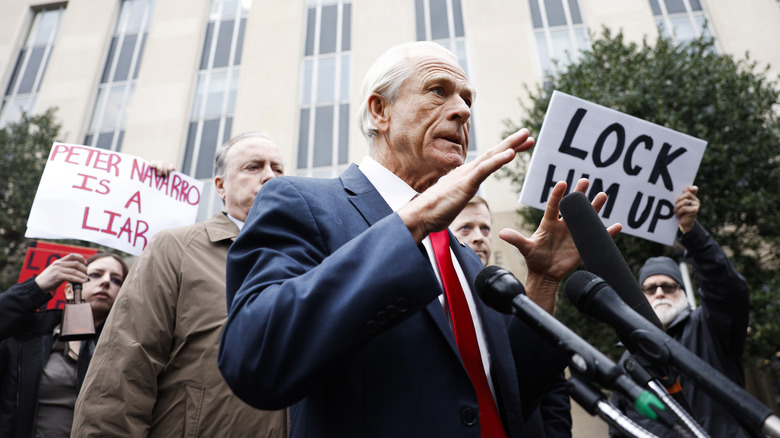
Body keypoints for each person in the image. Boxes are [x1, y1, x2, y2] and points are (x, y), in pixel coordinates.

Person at [219, 41, 618, 438]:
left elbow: (509, 396)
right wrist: (414, 219)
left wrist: (543, 282)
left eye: (466, 99)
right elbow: (256, 357)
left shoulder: (465, 258)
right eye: (438, 91)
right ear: (380, 111)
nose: (462, 111)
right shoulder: (300, 201)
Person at [71, 132, 289, 437]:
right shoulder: (175, 247)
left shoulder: (306, 259)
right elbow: (125, 365)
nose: (270, 177)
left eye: (278, 169)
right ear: (221, 186)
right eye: (254, 167)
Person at [610, 185, 750, 438]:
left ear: (683, 292)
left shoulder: (709, 328)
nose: (660, 293)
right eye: (650, 289)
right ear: (640, 297)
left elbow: (728, 290)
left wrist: (691, 232)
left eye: (669, 286)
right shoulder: (628, 362)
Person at [450, 196, 573, 437]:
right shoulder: (435, 301)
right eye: (466, 228)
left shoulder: (518, 297)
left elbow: (552, 386)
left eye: (485, 228)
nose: (478, 237)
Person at [0, 251, 128, 438]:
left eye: (117, 280)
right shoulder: (25, 335)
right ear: (69, 290)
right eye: (95, 275)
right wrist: (35, 287)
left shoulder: (128, 347)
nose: (106, 282)